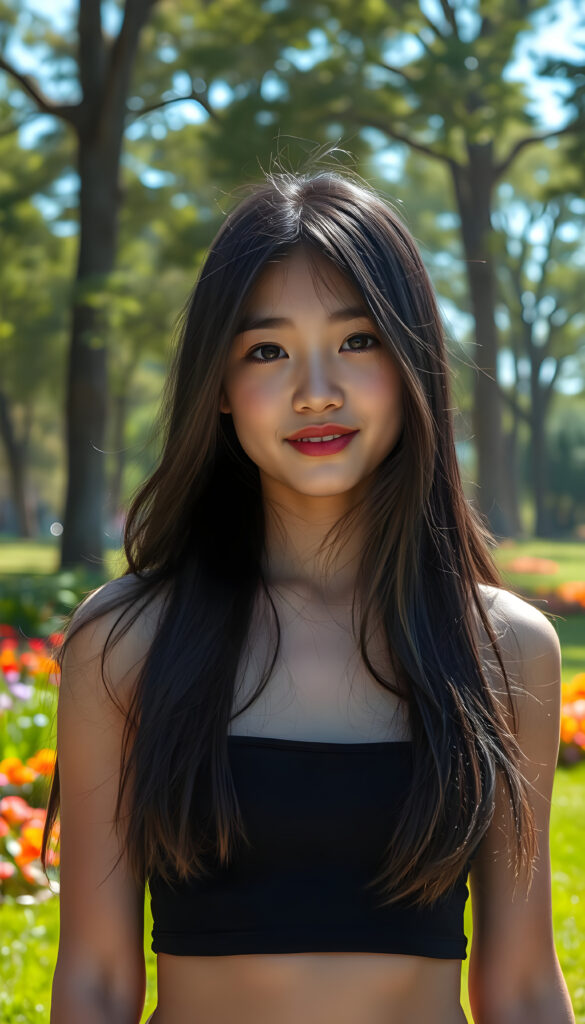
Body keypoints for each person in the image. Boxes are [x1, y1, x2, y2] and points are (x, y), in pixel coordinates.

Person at [42, 168, 575, 1024]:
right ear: (218, 387)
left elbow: (517, 988)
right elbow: (97, 985)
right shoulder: (127, 641)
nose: (315, 388)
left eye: (357, 341)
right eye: (267, 350)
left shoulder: (503, 650)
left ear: (412, 364)